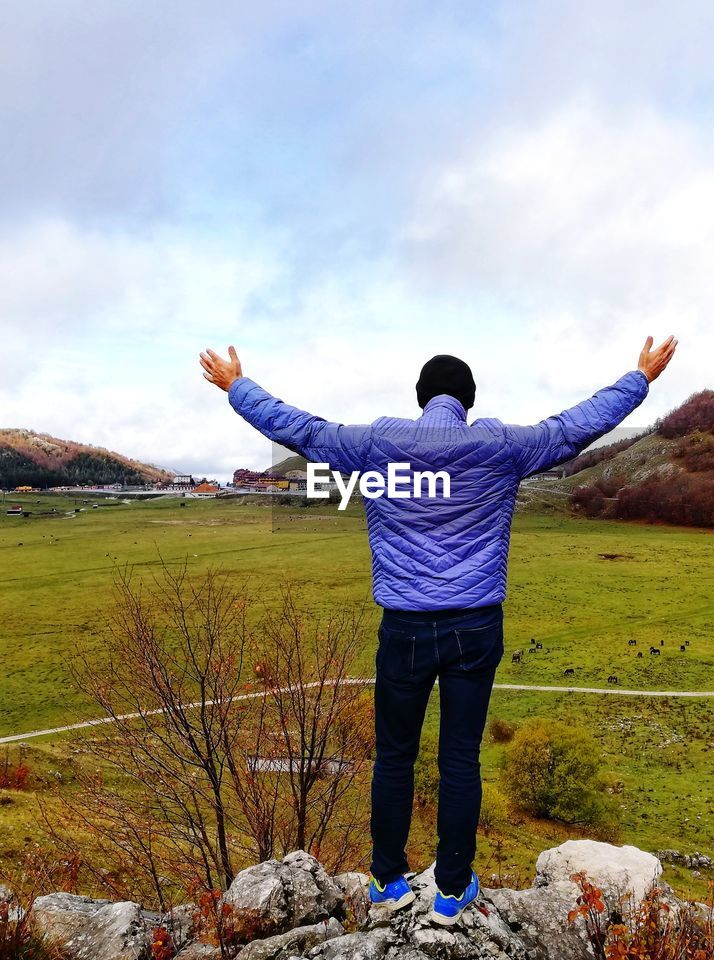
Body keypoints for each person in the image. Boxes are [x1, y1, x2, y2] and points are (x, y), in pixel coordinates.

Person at [199, 336, 676, 924]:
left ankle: (386, 881)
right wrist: (639, 379)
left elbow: (301, 429)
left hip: (402, 628)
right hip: (475, 626)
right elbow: (573, 427)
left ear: (420, 397)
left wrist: (236, 386)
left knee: (394, 759)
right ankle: (452, 890)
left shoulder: (379, 443)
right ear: (468, 403)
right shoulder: (500, 445)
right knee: (460, 760)